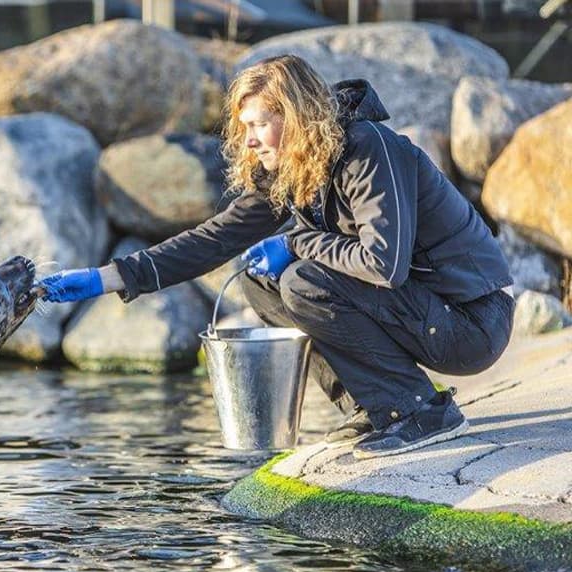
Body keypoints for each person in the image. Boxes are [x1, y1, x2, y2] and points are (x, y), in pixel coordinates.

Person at [38, 55, 515, 460]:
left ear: (297, 116)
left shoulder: (369, 150)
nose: (248, 139)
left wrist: (295, 244)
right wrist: (110, 277)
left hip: (470, 322)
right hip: (423, 312)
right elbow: (214, 239)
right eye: (244, 126)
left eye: (259, 124)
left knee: (303, 278)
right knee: (259, 281)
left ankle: (420, 411)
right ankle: (371, 406)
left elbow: (383, 264)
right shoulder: (297, 167)